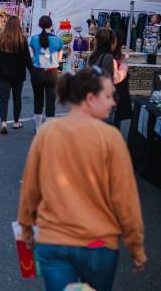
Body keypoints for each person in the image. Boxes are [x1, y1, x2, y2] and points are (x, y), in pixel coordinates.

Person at [18, 67, 146, 291]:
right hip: (97, 244)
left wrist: (26, 228)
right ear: (90, 98)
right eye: (109, 96)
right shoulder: (110, 138)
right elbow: (125, 199)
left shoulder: (48, 133)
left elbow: (31, 188)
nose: (114, 103)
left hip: (54, 240)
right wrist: (136, 246)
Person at [0, 16, 33, 134]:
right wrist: (33, 72)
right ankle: (15, 122)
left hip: (2, 73)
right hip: (18, 73)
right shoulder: (22, 40)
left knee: (3, 99)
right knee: (17, 98)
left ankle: (3, 122)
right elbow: (27, 59)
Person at [29, 16, 63, 132]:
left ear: (39, 25)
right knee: (50, 102)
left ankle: (38, 128)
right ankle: (49, 130)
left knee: (38, 100)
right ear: (51, 26)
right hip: (52, 73)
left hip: (37, 72)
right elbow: (59, 59)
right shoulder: (58, 40)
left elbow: (32, 56)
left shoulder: (33, 39)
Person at [88, 28, 128, 124]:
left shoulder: (93, 56)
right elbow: (115, 78)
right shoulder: (108, 57)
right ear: (110, 43)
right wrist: (123, 68)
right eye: (114, 41)